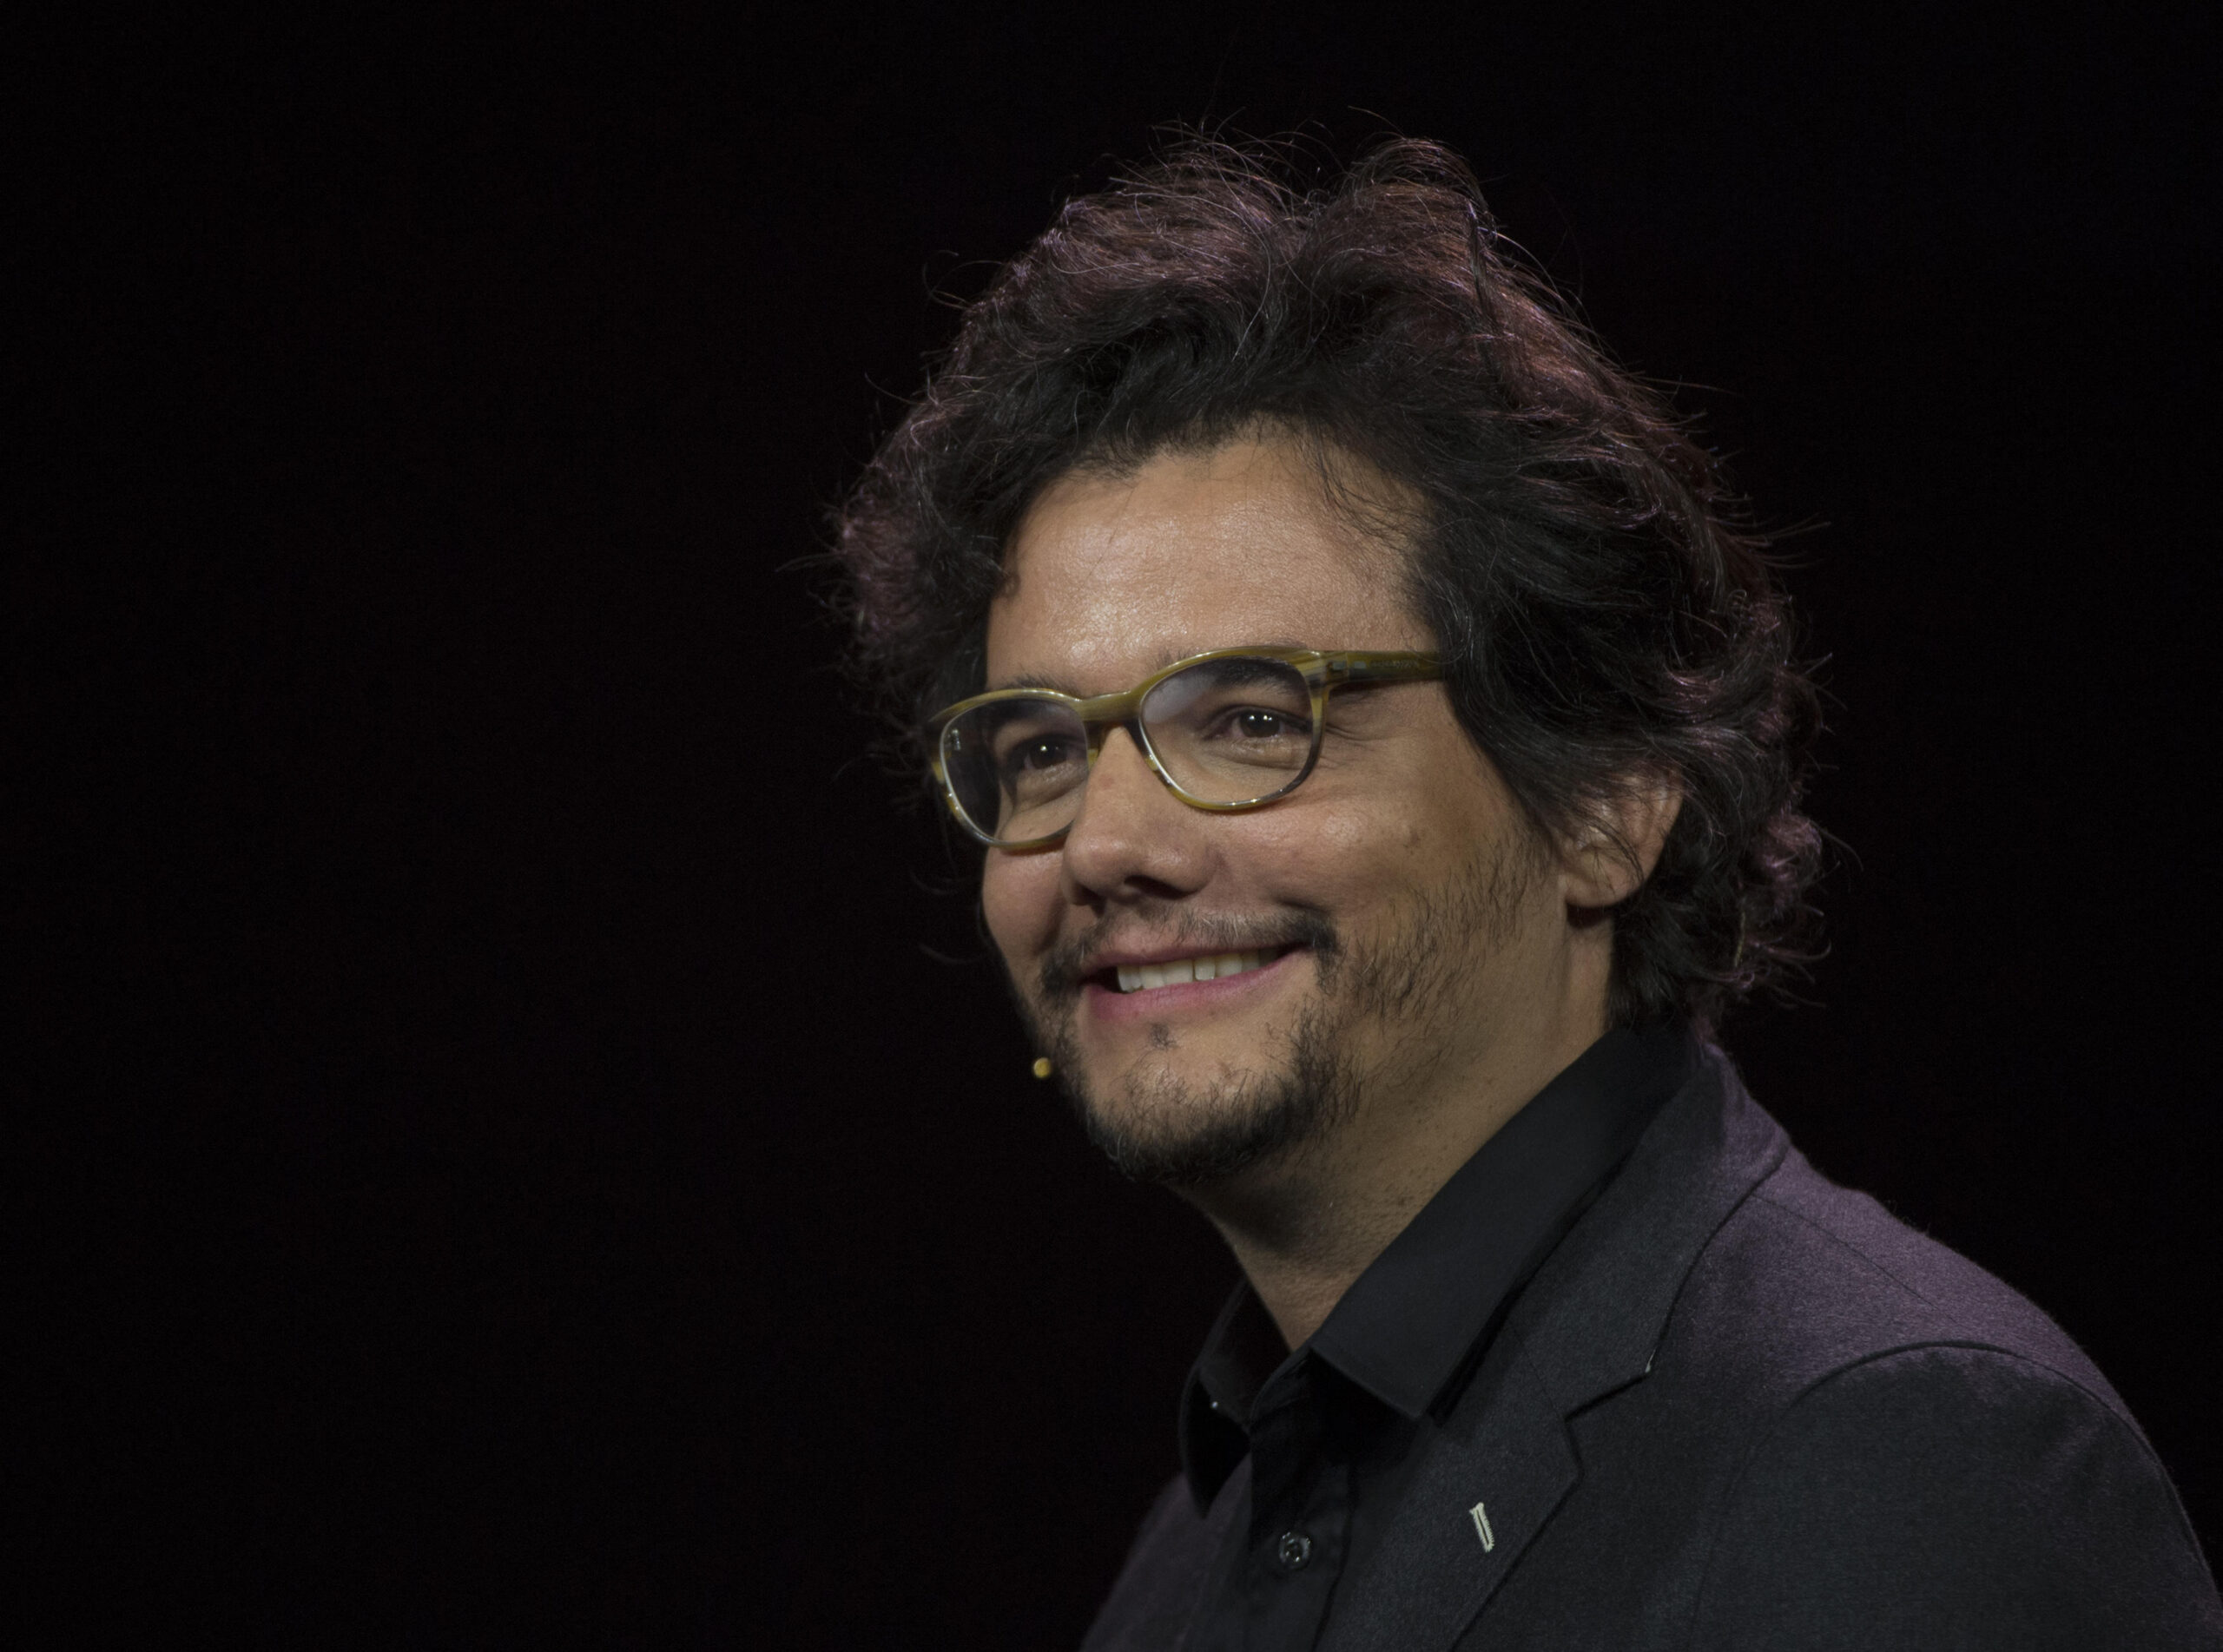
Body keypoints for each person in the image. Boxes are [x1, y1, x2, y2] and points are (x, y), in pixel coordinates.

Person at [829, 138, 2220, 1648]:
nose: (1101, 843)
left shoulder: (1896, 1458)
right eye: (1037, 748)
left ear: (1609, 801)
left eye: (1249, 720)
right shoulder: (1199, 1555)